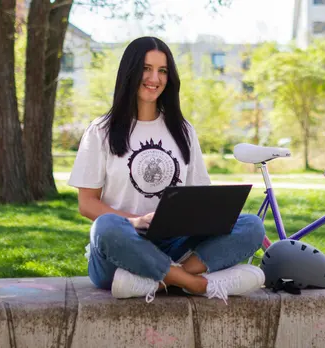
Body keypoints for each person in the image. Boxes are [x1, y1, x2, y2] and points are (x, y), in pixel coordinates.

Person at [68, 36, 265, 303]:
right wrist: (134, 221)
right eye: (146, 69)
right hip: (123, 246)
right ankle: (193, 283)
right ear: (130, 71)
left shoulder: (183, 130)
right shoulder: (101, 130)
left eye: (162, 71)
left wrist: (204, 216)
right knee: (105, 227)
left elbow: (199, 195)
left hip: (175, 244)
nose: (154, 78)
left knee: (252, 226)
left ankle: (162, 279)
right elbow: (87, 204)